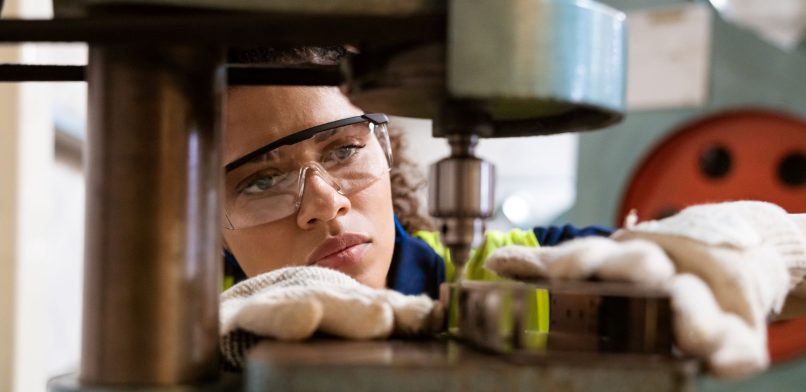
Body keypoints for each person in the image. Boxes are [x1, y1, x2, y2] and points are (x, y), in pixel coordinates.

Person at [218, 47, 806, 378]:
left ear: (385, 147)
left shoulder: (514, 273)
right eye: (261, 180)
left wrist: (752, 244)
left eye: (344, 150)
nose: (325, 204)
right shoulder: (175, 326)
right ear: (201, 219)